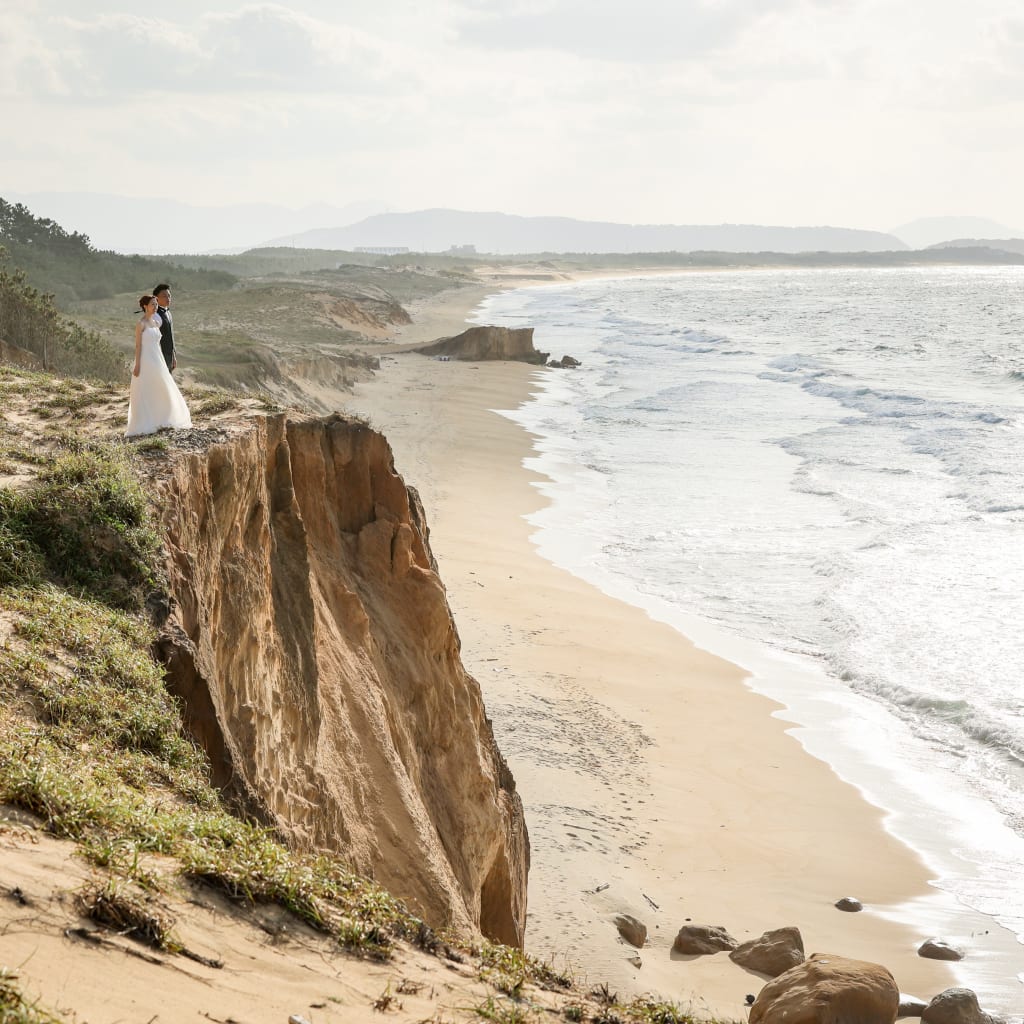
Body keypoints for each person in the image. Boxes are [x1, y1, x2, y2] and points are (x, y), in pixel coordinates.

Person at [126, 295, 192, 437]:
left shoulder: (156, 321)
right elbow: (138, 346)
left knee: (163, 387)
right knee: (147, 388)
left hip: (158, 359)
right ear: (145, 306)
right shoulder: (141, 324)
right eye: (152, 304)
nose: (155, 307)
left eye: (156, 304)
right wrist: (137, 365)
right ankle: (147, 421)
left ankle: (163, 417)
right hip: (146, 360)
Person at [153, 282, 176, 371]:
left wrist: (174, 355)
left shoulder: (168, 313)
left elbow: (171, 336)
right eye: (164, 296)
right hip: (160, 355)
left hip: (169, 355)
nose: (168, 298)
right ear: (156, 298)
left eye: (169, 296)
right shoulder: (155, 315)